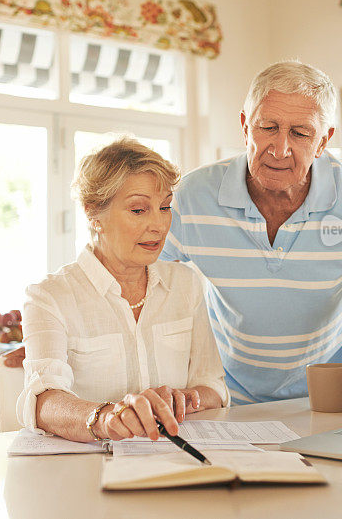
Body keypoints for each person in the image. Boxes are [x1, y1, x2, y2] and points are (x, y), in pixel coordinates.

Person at [160, 61, 342, 416]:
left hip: (331, 402)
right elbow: (147, 292)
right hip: (227, 401)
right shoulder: (190, 196)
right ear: (246, 126)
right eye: (268, 127)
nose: (280, 148)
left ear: (323, 141)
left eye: (300, 133)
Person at [15, 137, 228, 443]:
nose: (158, 225)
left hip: (176, 461)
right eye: (139, 210)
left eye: (165, 207)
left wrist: (185, 398)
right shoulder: (49, 297)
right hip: (87, 474)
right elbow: (44, 400)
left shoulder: (186, 284)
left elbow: (213, 385)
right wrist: (106, 417)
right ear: (94, 215)